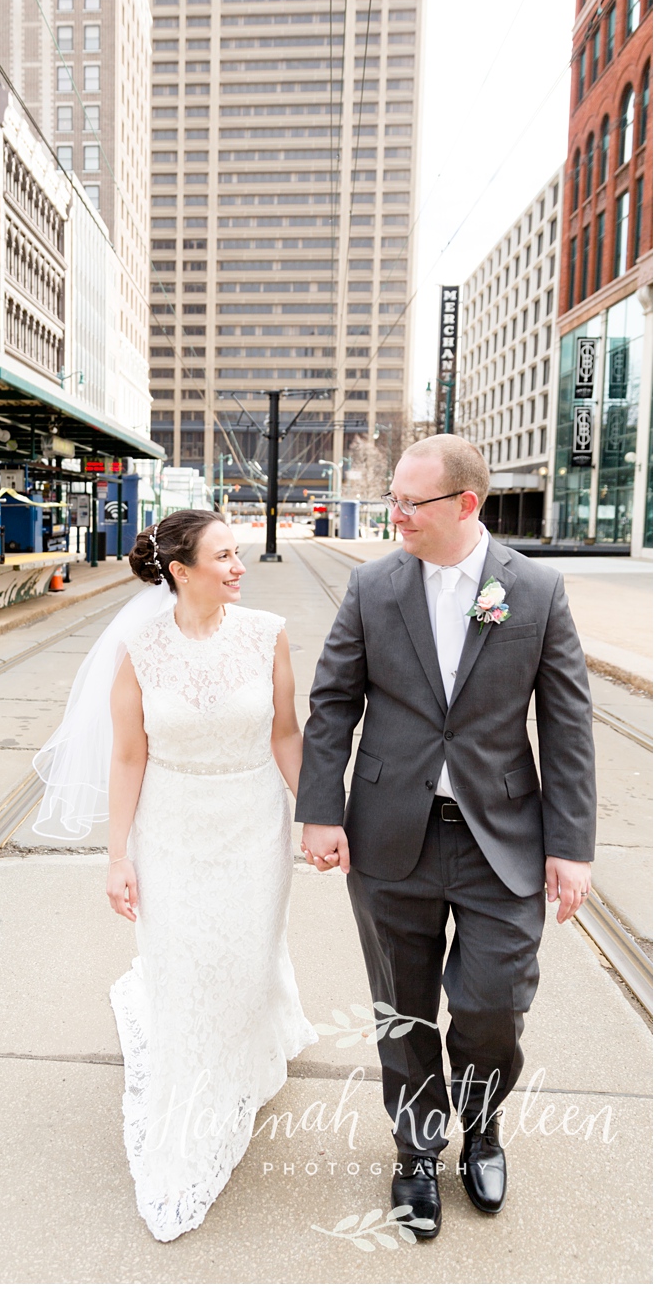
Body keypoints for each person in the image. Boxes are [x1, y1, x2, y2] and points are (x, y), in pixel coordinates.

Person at [296, 433, 595, 1237]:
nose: (394, 513)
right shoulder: (372, 585)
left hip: (504, 839)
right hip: (392, 836)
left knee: (492, 1004)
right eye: (392, 496)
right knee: (404, 1006)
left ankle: (483, 1123)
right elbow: (333, 704)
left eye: (409, 501)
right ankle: (418, 1149)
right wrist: (320, 809)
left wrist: (573, 845)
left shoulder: (535, 590)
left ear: (466, 504)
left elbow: (566, 725)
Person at [31, 508, 315, 1242]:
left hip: (254, 823)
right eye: (222, 555)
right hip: (172, 830)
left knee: (248, 959)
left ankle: (251, 1045)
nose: (238, 566)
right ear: (180, 570)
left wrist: (318, 814)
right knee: (185, 971)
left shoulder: (269, 633)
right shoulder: (137, 646)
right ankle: (194, 1113)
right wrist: (118, 855)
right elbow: (129, 755)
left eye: (238, 553)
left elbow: (286, 732)